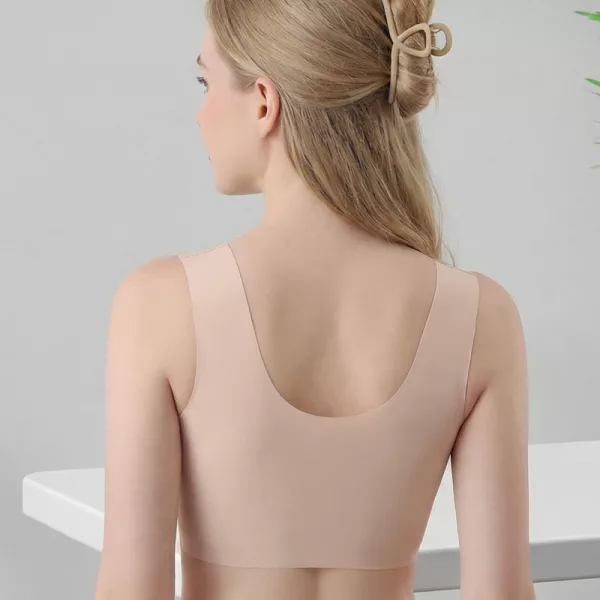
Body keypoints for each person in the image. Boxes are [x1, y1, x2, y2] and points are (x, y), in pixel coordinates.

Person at [94, 1, 535, 599]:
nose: (200, 114)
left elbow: (131, 590)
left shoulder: (161, 305)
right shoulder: (482, 317)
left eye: (205, 82)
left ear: (264, 103)